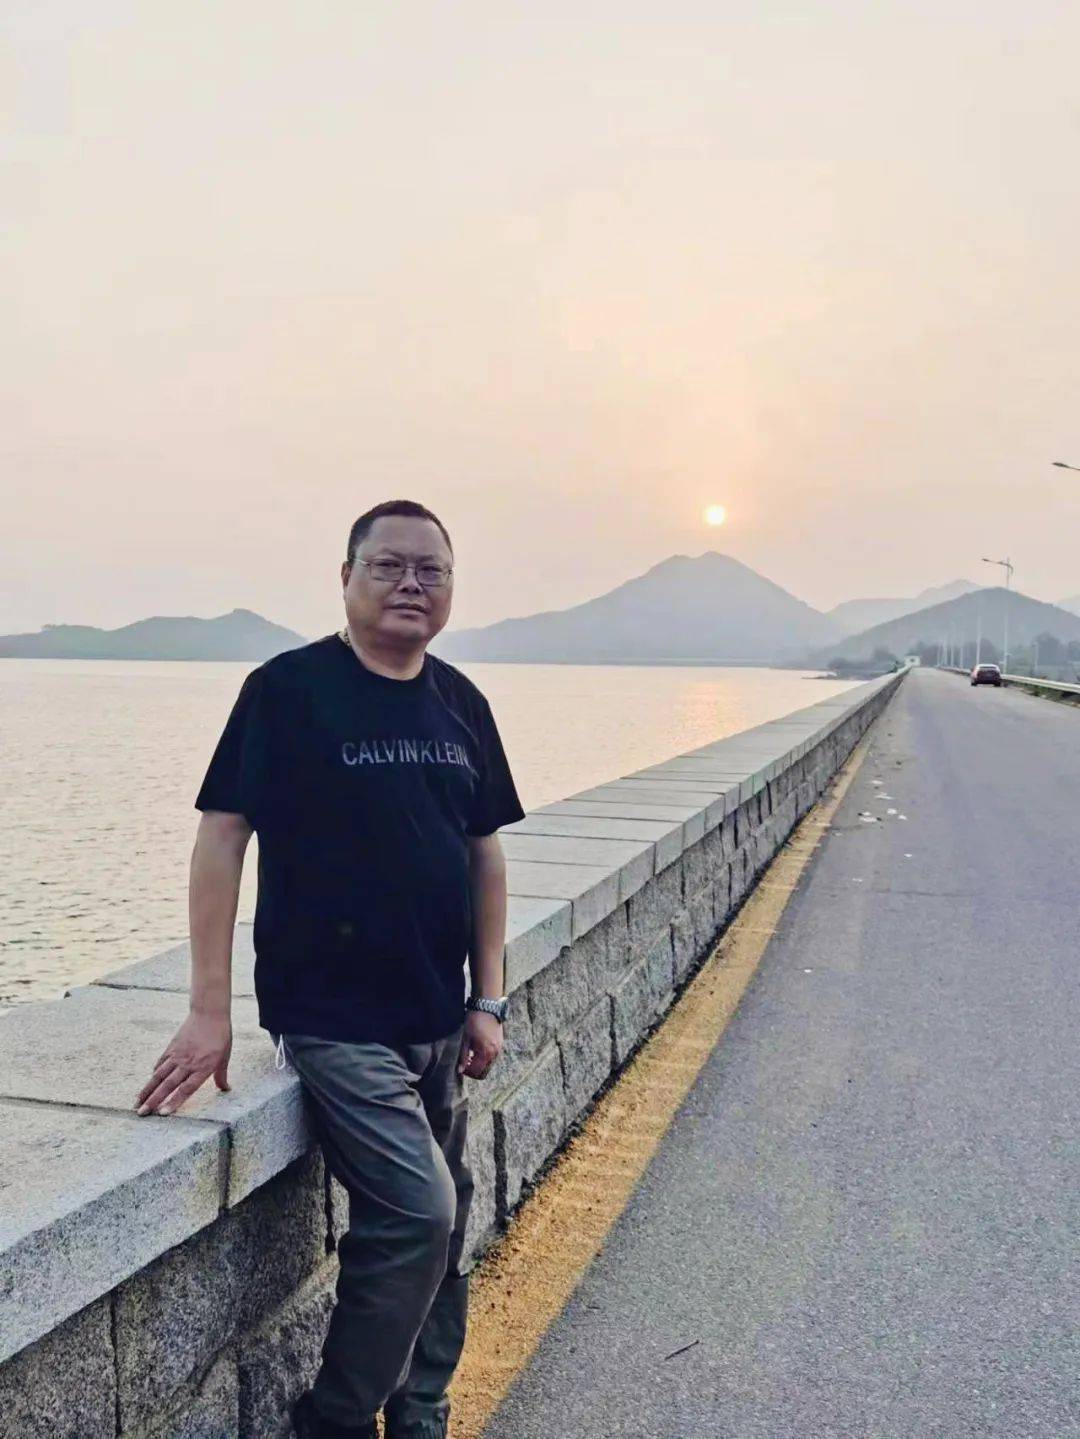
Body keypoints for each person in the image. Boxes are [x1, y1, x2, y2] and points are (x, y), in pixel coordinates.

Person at [134, 499, 526, 1439]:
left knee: (445, 1224)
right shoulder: (288, 690)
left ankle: (421, 1409)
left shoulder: (461, 703)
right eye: (389, 566)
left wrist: (487, 997)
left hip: (439, 1016)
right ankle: (336, 1420)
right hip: (334, 1019)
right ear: (346, 578)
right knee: (420, 1212)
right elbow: (222, 838)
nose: (411, 584)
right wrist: (209, 1009)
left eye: (432, 570)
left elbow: (484, 852)